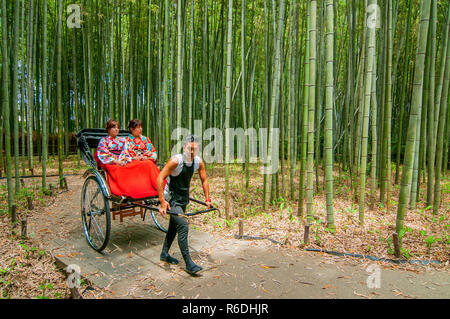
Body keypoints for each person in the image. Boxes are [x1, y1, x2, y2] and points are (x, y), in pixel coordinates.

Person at [156, 134, 211, 276]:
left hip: (183, 198)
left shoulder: (198, 162)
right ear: (184, 146)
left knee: (173, 227)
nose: (191, 152)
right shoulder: (176, 161)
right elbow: (160, 178)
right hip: (172, 199)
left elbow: (204, 180)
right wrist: (162, 201)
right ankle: (189, 264)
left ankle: (164, 254)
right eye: (189, 148)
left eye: (195, 149)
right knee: (183, 225)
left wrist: (207, 199)